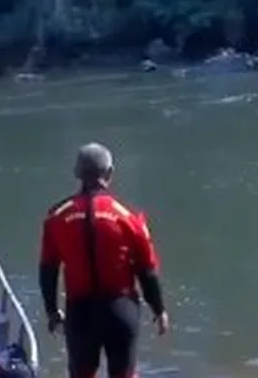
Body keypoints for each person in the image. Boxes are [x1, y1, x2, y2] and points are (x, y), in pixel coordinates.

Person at [39, 143, 170, 378]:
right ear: (109, 173)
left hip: (80, 314)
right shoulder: (128, 217)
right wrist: (159, 310)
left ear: (77, 174)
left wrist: (52, 312)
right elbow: (147, 271)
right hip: (120, 311)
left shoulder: (56, 217)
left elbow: (48, 269)